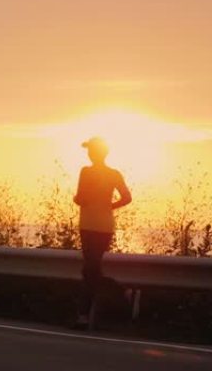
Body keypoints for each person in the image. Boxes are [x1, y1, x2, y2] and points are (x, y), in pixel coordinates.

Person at [73, 137, 132, 329]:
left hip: (89, 224)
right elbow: (127, 197)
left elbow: (81, 199)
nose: (89, 153)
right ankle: (87, 316)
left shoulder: (86, 172)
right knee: (92, 269)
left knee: (89, 270)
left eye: (91, 150)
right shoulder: (114, 174)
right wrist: (109, 206)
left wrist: (78, 198)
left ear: (96, 153)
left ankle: (121, 293)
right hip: (105, 225)